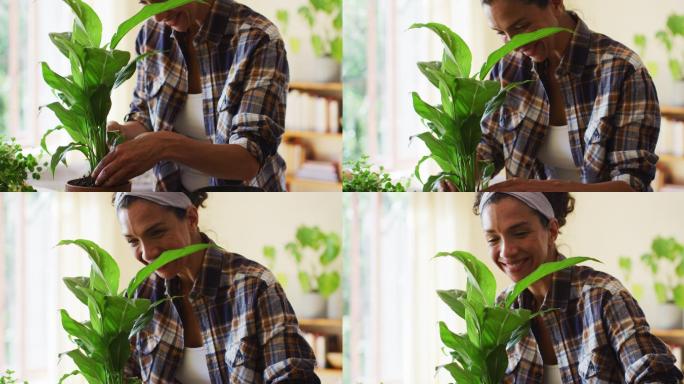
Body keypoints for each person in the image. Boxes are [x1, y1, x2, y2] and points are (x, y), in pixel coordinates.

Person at [474, 192, 683, 383]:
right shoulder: (500, 312)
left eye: (519, 233)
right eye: (493, 239)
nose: (506, 252)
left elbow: (656, 376)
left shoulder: (603, 296)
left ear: (552, 231)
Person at [115, 192, 319, 383]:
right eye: (133, 241)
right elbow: (123, 374)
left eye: (157, 232)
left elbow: (292, 375)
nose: (147, 254)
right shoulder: (140, 295)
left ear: (191, 218)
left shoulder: (254, 286)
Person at [93, 0, 288, 192]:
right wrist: (119, 132)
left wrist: (164, 145)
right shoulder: (151, 33)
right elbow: (145, 119)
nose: (158, 16)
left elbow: (247, 161)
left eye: (163, 1)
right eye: (145, 3)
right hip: (174, 198)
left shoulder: (258, 38)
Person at [478, 0, 660, 192]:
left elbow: (632, 183)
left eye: (522, 26)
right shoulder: (507, 68)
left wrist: (550, 189)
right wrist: (455, 177)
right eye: (501, 33)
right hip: (542, 211)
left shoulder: (623, 70)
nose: (513, 45)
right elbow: (490, 147)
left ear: (556, 4)